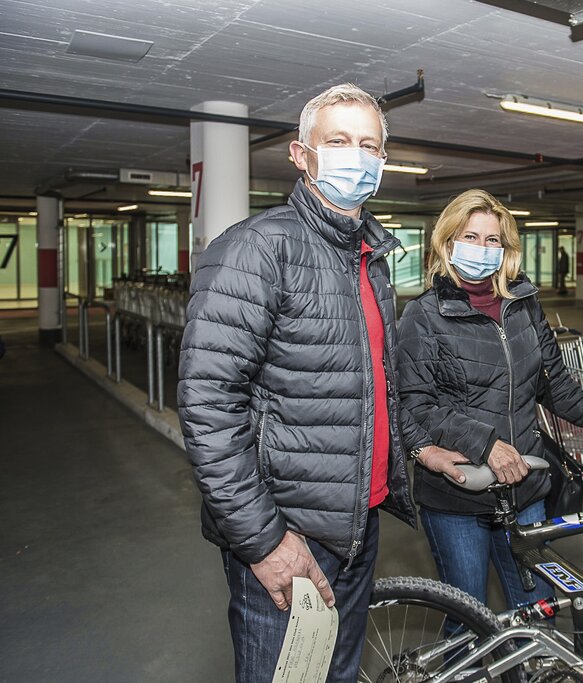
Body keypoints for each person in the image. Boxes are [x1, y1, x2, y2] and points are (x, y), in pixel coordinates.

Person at [177, 83, 449, 683]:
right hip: (290, 530)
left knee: (340, 672)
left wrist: (420, 451)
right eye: (339, 141)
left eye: (369, 145)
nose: (357, 156)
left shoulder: (370, 258)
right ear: (301, 155)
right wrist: (265, 542)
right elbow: (208, 409)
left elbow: (375, 386)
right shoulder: (255, 250)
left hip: (358, 521)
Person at [396, 189, 583, 610]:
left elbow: (554, 383)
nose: (482, 249)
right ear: (447, 241)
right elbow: (416, 403)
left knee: (537, 608)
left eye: (493, 240)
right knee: (468, 615)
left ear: (506, 249)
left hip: (524, 486)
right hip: (458, 492)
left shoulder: (524, 304)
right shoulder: (424, 314)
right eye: (470, 237)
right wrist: (486, 444)